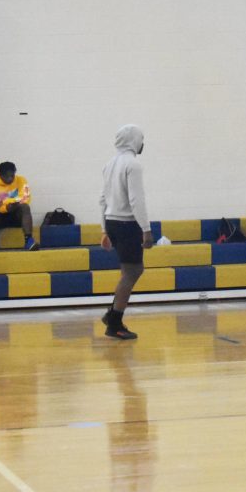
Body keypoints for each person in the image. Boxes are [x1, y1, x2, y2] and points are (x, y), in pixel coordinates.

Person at [99, 124, 153, 340]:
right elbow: (136, 200)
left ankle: (112, 313)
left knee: (130, 271)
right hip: (127, 223)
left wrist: (104, 229)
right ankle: (114, 321)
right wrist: (146, 230)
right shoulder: (133, 165)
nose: (143, 143)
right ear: (135, 140)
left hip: (112, 222)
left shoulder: (109, 164)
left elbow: (102, 200)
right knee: (132, 272)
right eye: (142, 138)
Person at [0, 161, 37, 251]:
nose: (9, 179)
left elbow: (26, 198)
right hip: (0, 217)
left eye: (12, 176)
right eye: (6, 176)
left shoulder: (21, 180)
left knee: (25, 207)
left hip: (16, 215)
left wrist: (7, 203)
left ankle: (29, 241)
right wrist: (6, 207)